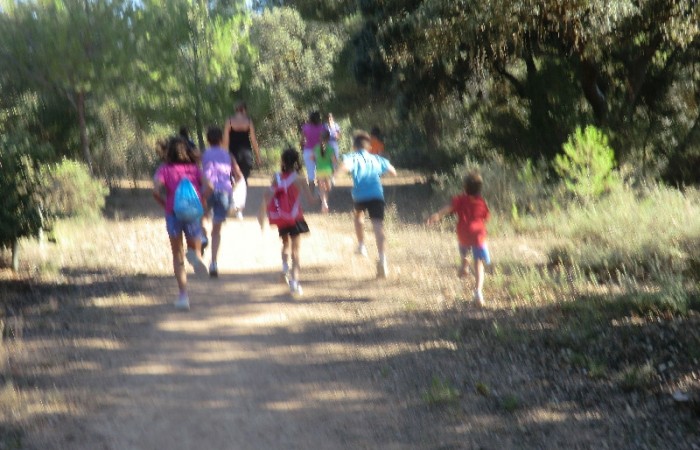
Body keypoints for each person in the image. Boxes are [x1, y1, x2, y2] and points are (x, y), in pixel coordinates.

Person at [153, 136, 213, 310]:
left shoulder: (164, 169)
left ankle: (183, 296)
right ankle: (197, 256)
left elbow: (155, 191)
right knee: (194, 247)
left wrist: (165, 204)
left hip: (173, 213)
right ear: (187, 151)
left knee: (177, 255)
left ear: (168, 151)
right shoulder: (194, 169)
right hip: (193, 213)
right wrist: (201, 199)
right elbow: (210, 186)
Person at [336, 130, 397, 278]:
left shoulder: (353, 157)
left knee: (358, 216)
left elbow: (344, 167)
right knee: (378, 225)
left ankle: (362, 245)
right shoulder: (376, 159)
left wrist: (334, 177)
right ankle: (382, 260)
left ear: (354, 146)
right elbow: (393, 171)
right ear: (369, 147)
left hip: (360, 195)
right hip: (376, 194)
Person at [426, 172, 491, 307]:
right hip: (478, 235)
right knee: (479, 264)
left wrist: (437, 215)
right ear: (480, 188)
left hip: (463, 233)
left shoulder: (460, 199)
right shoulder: (481, 202)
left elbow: (449, 208)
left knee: (464, 248)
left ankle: (464, 264)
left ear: (465, 187)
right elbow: (486, 217)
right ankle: (478, 292)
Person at [260, 148, 317, 295]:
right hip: (295, 217)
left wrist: (262, 213)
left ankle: (284, 267)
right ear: (297, 161)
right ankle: (294, 282)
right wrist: (322, 195)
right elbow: (311, 200)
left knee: (285, 244)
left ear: (283, 161)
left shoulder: (277, 177)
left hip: (281, 217)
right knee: (296, 251)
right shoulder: (300, 179)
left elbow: (268, 196)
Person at [201, 126, 244, 278]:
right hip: (224, 193)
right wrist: (230, 186)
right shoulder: (228, 155)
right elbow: (238, 176)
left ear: (208, 140)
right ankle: (213, 263)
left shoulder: (203, 154)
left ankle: (202, 236)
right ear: (221, 140)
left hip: (207, 191)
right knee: (217, 231)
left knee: (202, 216)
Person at [223, 101, 262, 203]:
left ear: (236, 110)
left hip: (233, 153)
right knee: (243, 180)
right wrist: (258, 156)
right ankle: (239, 204)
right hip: (246, 153)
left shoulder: (229, 121)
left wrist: (223, 154)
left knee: (232, 178)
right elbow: (253, 140)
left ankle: (232, 201)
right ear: (244, 110)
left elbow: (225, 140)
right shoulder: (248, 121)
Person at [313, 130, 337, 213]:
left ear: (320, 138)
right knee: (327, 188)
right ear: (329, 138)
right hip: (328, 170)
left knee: (322, 189)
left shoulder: (316, 147)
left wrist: (317, 161)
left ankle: (324, 203)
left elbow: (312, 158)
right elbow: (334, 161)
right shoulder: (331, 148)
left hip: (319, 170)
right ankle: (324, 203)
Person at [300, 111, 325, 185]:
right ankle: (321, 194)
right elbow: (324, 141)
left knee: (310, 176)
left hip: (308, 152)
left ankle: (312, 195)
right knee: (321, 173)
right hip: (319, 151)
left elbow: (301, 140)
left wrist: (302, 148)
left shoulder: (305, 127)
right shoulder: (322, 127)